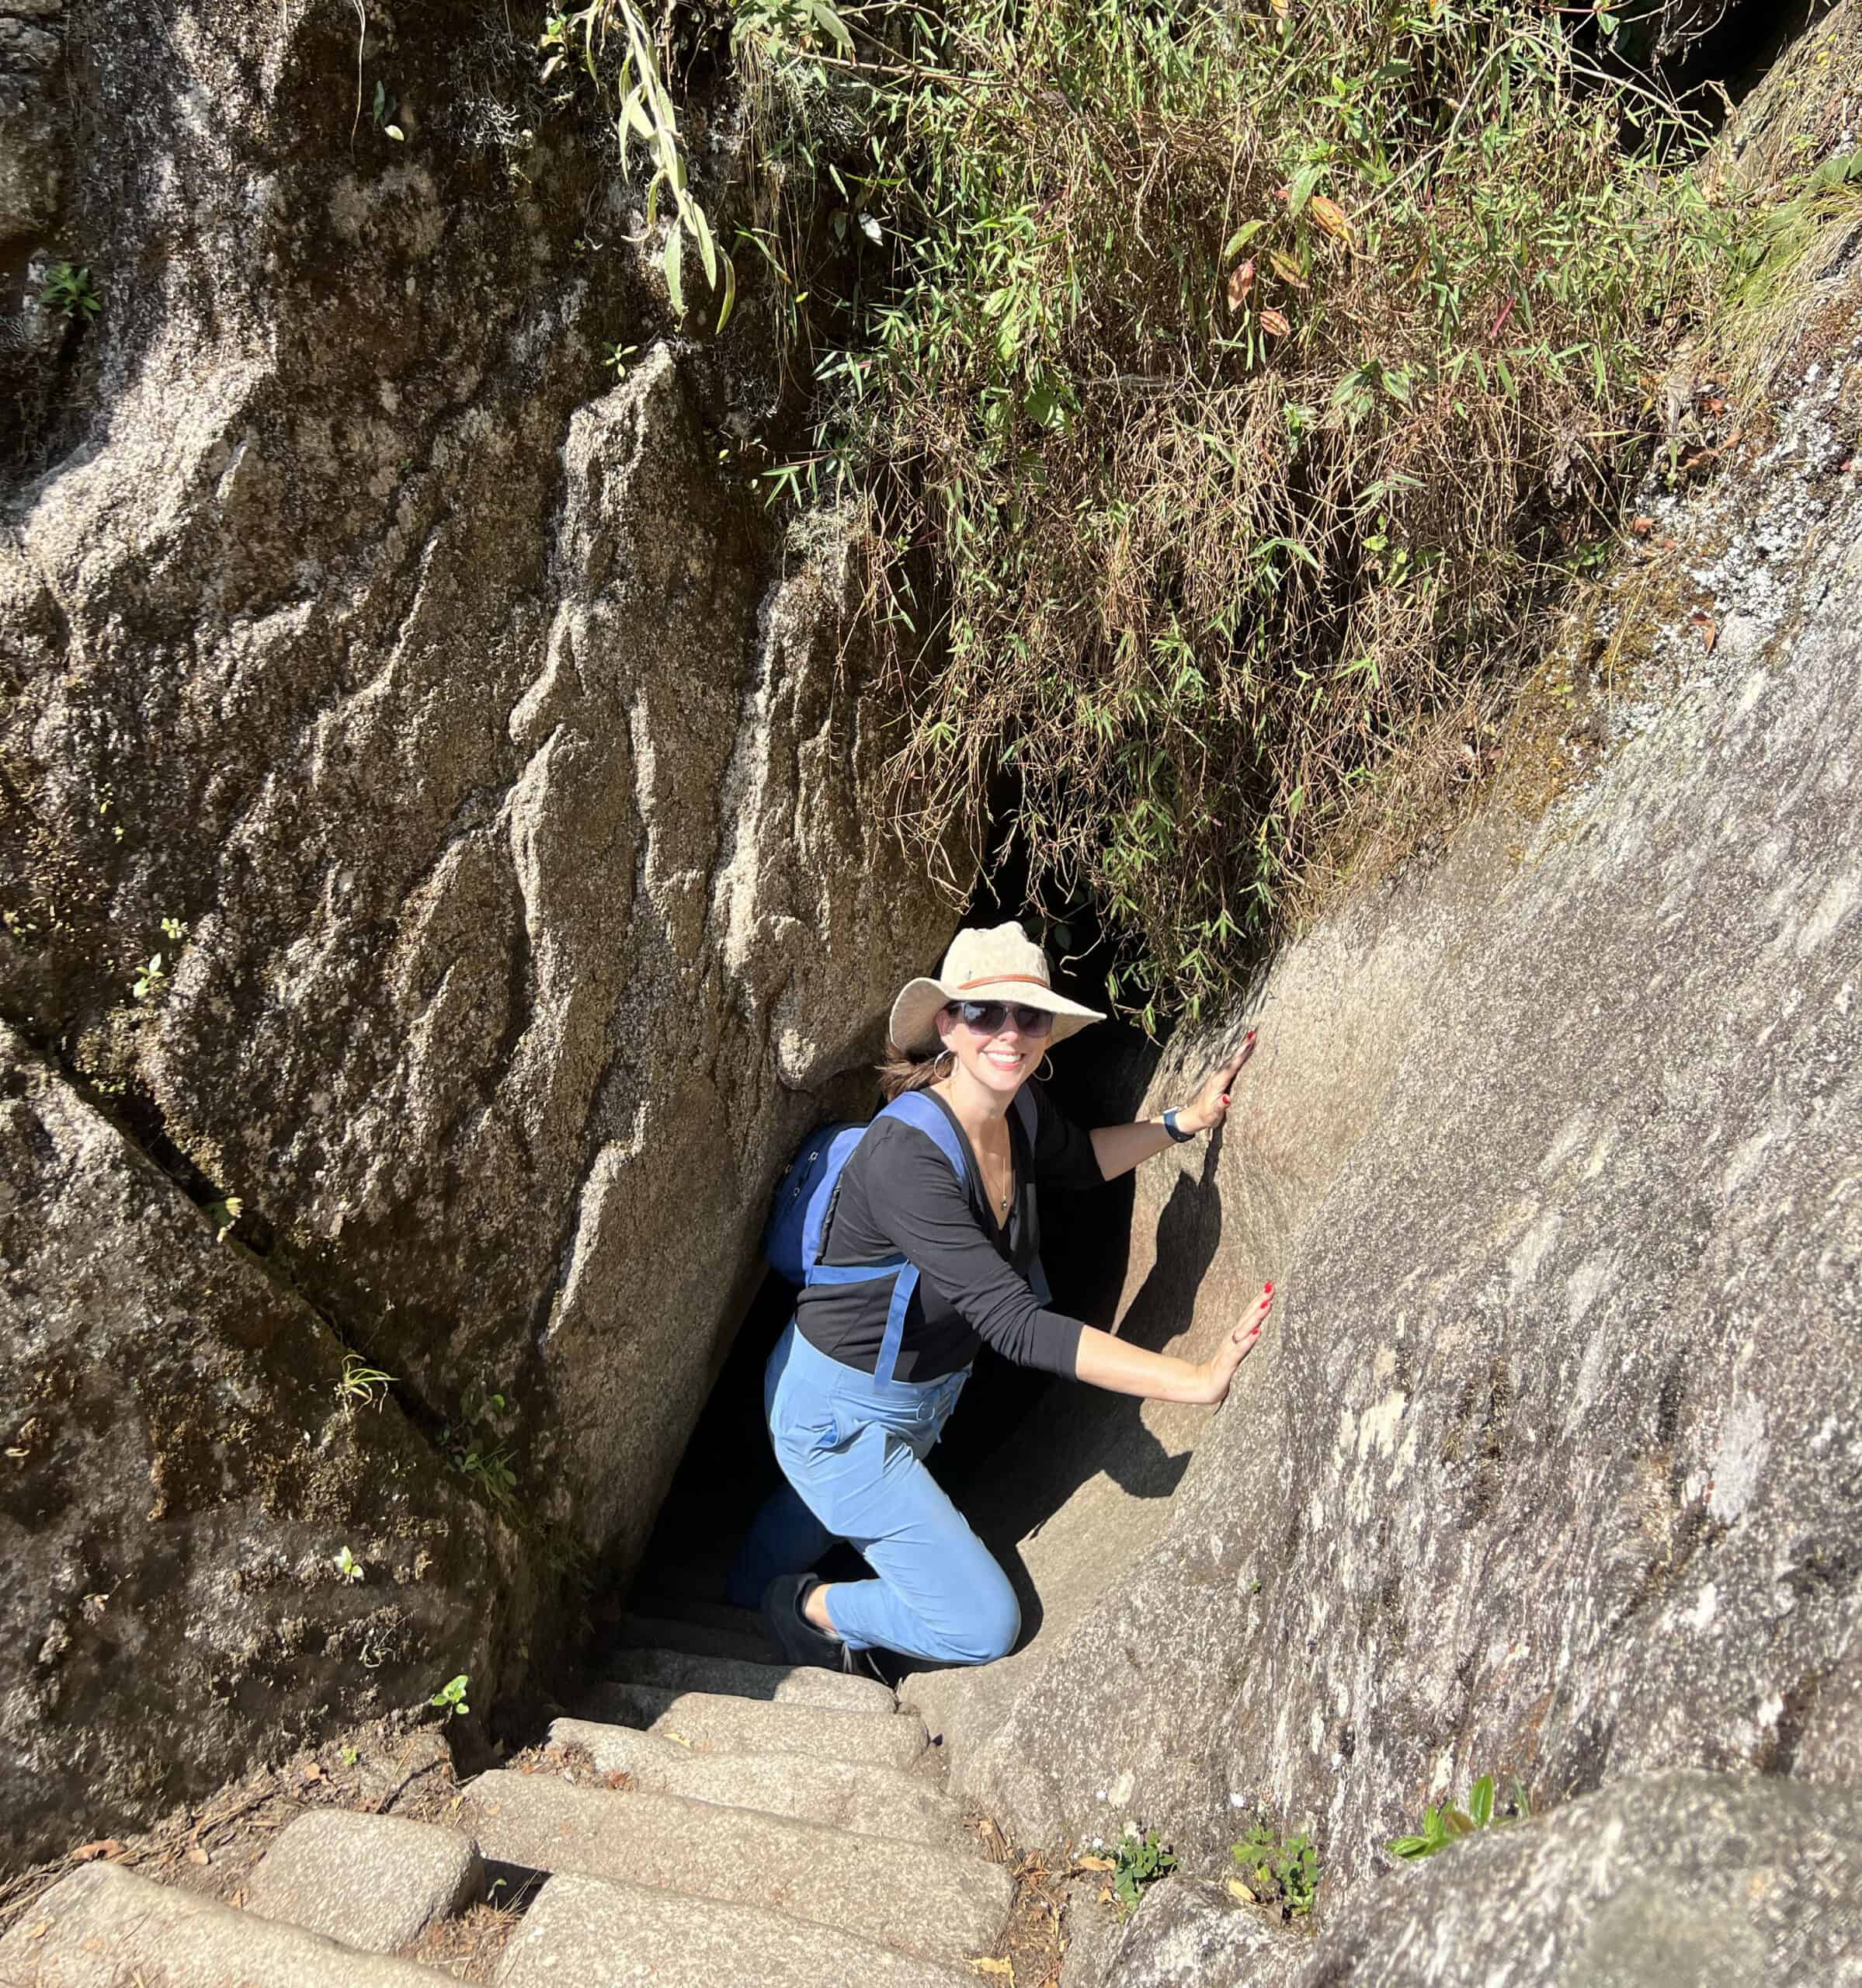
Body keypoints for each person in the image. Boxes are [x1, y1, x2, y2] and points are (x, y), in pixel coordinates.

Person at [728, 921, 1273, 1673]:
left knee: (810, 1512)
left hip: (914, 1401)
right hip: (835, 1414)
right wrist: (1193, 1380)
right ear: (946, 1024)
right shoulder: (905, 1158)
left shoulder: (1014, 1110)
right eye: (985, 1013)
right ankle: (803, 1608)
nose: (1009, 1034)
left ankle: (739, 1600)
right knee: (981, 1622)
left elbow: (1078, 1160)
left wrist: (1184, 1121)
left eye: (1030, 1015)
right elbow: (1017, 1327)